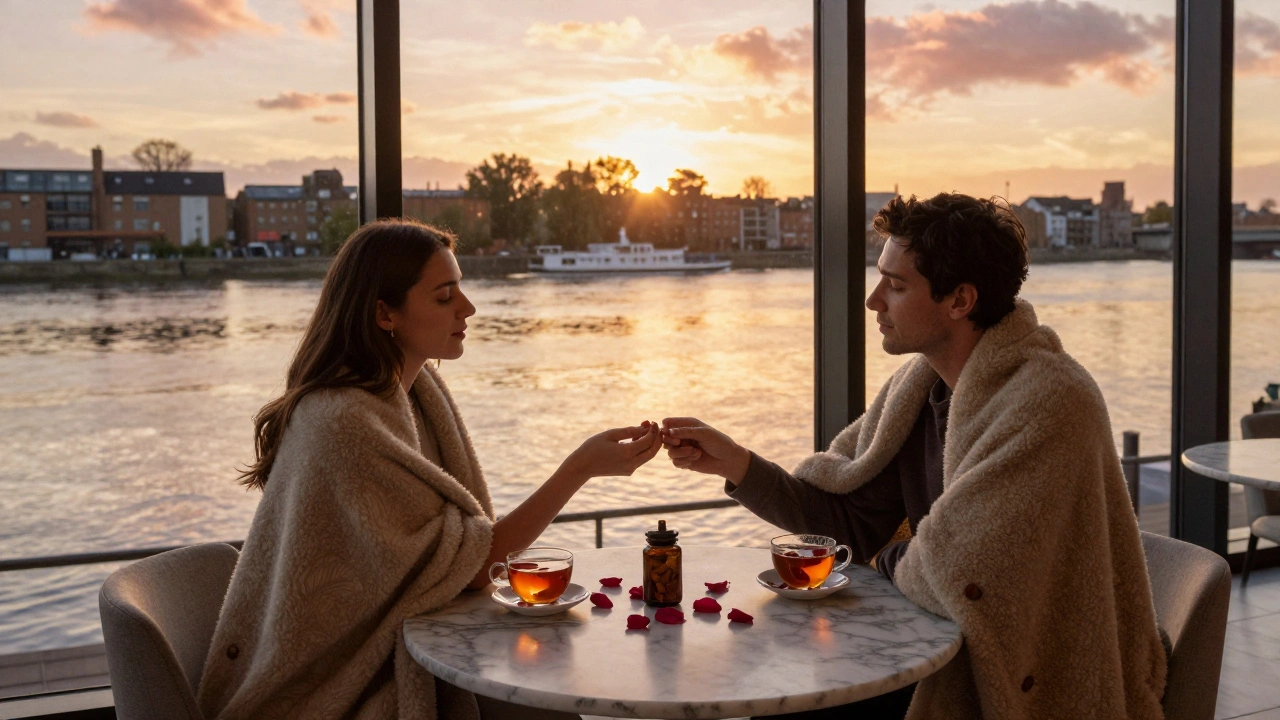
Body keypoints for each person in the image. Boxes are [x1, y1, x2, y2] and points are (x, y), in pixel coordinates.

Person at [661, 193, 1167, 720]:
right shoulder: (921, 389)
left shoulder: (1050, 402)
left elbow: (953, 568)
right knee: (790, 689)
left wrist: (887, 557)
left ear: (959, 301)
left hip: (1026, 674)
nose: (873, 300)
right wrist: (736, 464)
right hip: (941, 645)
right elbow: (848, 526)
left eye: (896, 286)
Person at [198, 219, 662, 720]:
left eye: (460, 289)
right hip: (329, 687)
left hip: (404, 646)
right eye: (445, 297)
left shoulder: (418, 392)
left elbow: (462, 559)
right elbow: (478, 568)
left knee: (544, 681)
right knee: (542, 691)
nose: (468, 308)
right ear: (384, 313)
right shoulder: (345, 425)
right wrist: (580, 468)